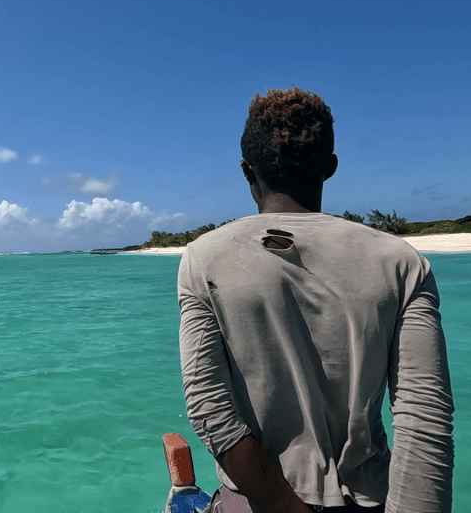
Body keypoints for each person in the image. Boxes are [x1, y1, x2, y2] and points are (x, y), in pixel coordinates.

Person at [177, 87, 454, 513]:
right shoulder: (401, 262)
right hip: (370, 498)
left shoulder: (204, 258)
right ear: (330, 167)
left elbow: (209, 408)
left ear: (248, 172)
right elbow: (424, 419)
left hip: (259, 502)